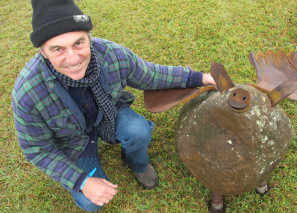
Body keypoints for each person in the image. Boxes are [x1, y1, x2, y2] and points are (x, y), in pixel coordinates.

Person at [12, 0, 216, 212]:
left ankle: (138, 164)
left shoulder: (112, 54)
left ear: (89, 38)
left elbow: (151, 75)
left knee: (139, 132)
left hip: (107, 112)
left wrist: (201, 78)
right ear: (43, 52)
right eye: (57, 49)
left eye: (78, 43)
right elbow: (38, 150)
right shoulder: (28, 92)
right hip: (73, 141)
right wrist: (81, 181)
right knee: (90, 203)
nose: (72, 58)